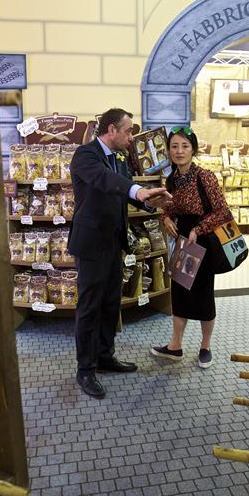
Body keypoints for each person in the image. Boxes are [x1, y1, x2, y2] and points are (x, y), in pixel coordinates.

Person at [68, 108, 172, 398]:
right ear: (111, 130)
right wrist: (138, 191)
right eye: (128, 131)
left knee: (110, 303)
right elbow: (105, 180)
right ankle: (85, 370)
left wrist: (152, 204)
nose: (131, 137)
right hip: (90, 244)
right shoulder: (85, 155)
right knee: (89, 307)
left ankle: (104, 356)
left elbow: (123, 195)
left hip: (114, 243)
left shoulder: (122, 159)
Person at [151, 126, 232, 369]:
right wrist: (165, 218)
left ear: (193, 149)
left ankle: (205, 346)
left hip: (203, 240)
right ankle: (175, 346)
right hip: (184, 242)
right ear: (168, 150)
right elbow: (170, 207)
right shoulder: (172, 178)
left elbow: (222, 211)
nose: (179, 151)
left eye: (185, 146)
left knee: (203, 295)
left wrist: (199, 228)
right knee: (180, 292)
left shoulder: (204, 176)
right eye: (174, 146)